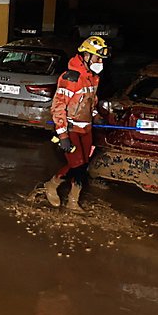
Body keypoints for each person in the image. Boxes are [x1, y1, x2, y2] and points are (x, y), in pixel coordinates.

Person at [43, 35, 110, 211]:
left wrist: (95, 116)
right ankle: (52, 185)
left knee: (82, 165)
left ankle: (73, 200)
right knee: (77, 165)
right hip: (70, 128)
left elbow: (90, 101)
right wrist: (63, 135)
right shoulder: (70, 78)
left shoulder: (93, 77)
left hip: (86, 128)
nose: (100, 62)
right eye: (97, 58)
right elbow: (58, 107)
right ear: (86, 56)